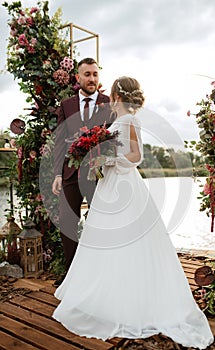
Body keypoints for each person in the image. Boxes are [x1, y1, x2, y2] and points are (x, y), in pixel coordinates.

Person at [52, 76, 214, 349]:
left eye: (111, 93)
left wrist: (109, 159)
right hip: (111, 183)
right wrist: (100, 158)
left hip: (123, 183)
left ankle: (124, 297)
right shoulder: (118, 121)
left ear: (116, 95)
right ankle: (108, 292)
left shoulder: (129, 120)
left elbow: (136, 157)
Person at [52, 57, 114, 286]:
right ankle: (71, 276)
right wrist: (58, 174)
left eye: (95, 74)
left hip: (98, 175)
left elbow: (113, 138)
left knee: (100, 223)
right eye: (87, 74)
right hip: (69, 174)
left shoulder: (108, 102)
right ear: (77, 78)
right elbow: (59, 141)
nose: (92, 78)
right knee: (68, 223)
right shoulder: (66, 105)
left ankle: (100, 275)